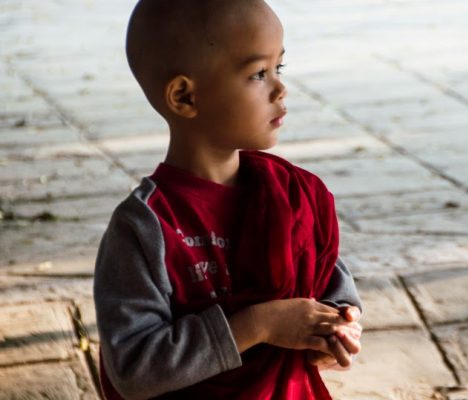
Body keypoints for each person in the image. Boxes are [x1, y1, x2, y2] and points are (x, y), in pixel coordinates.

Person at [93, 0, 363, 398]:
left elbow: (332, 288)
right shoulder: (146, 227)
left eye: (279, 68)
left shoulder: (290, 195)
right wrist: (259, 326)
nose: (280, 88)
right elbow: (134, 368)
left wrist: (339, 328)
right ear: (184, 97)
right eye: (258, 73)